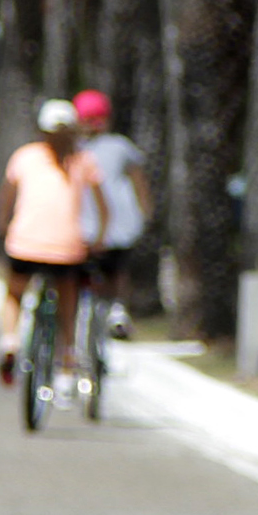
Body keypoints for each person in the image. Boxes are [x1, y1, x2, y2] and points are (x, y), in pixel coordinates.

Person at [0, 98, 100, 386]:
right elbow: (101, 206)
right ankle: (66, 358)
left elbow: (6, 197)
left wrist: (3, 225)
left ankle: (9, 341)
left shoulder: (25, 156)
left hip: (24, 243)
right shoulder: (83, 161)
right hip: (67, 247)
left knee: (14, 293)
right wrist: (99, 237)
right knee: (68, 300)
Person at [70, 90, 152, 337]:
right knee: (115, 268)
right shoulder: (117, 146)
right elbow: (139, 182)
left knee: (113, 266)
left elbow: (138, 181)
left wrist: (145, 211)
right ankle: (117, 308)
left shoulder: (80, 149)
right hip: (103, 221)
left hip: (103, 222)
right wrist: (144, 212)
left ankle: (115, 309)